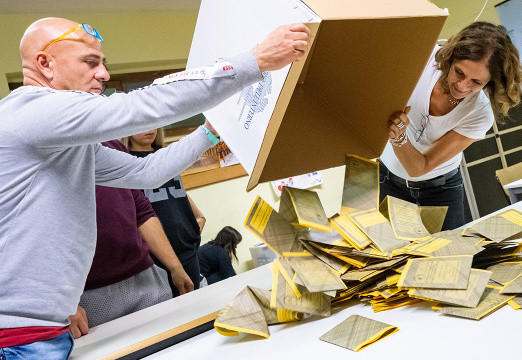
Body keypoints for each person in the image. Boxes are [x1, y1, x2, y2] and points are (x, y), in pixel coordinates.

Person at [0, 17, 309, 357]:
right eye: (90, 62)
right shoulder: (28, 111)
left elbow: (146, 172)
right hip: (18, 339)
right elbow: (139, 107)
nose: (103, 75)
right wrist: (258, 60)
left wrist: (208, 133)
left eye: (103, 64)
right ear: (45, 63)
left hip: (44, 330)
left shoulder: (65, 144)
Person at [379, 22, 522, 230]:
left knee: (448, 257)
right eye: (459, 72)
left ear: (490, 83)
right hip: (387, 181)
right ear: (450, 58)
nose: (462, 86)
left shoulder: (479, 113)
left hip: (441, 191)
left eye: (476, 82)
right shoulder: (423, 60)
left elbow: (418, 167)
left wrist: (398, 137)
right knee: (392, 258)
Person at [75, 139, 194, 331]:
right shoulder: (49, 156)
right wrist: (60, 303)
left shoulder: (114, 147)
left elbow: (142, 211)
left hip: (146, 278)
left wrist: (175, 266)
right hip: (89, 295)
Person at [126, 128, 208, 296]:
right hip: (156, 260)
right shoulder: (125, 162)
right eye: (142, 124)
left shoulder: (165, 155)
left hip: (187, 252)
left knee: (196, 309)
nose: (149, 128)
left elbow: (176, 192)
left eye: (153, 122)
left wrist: (197, 221)